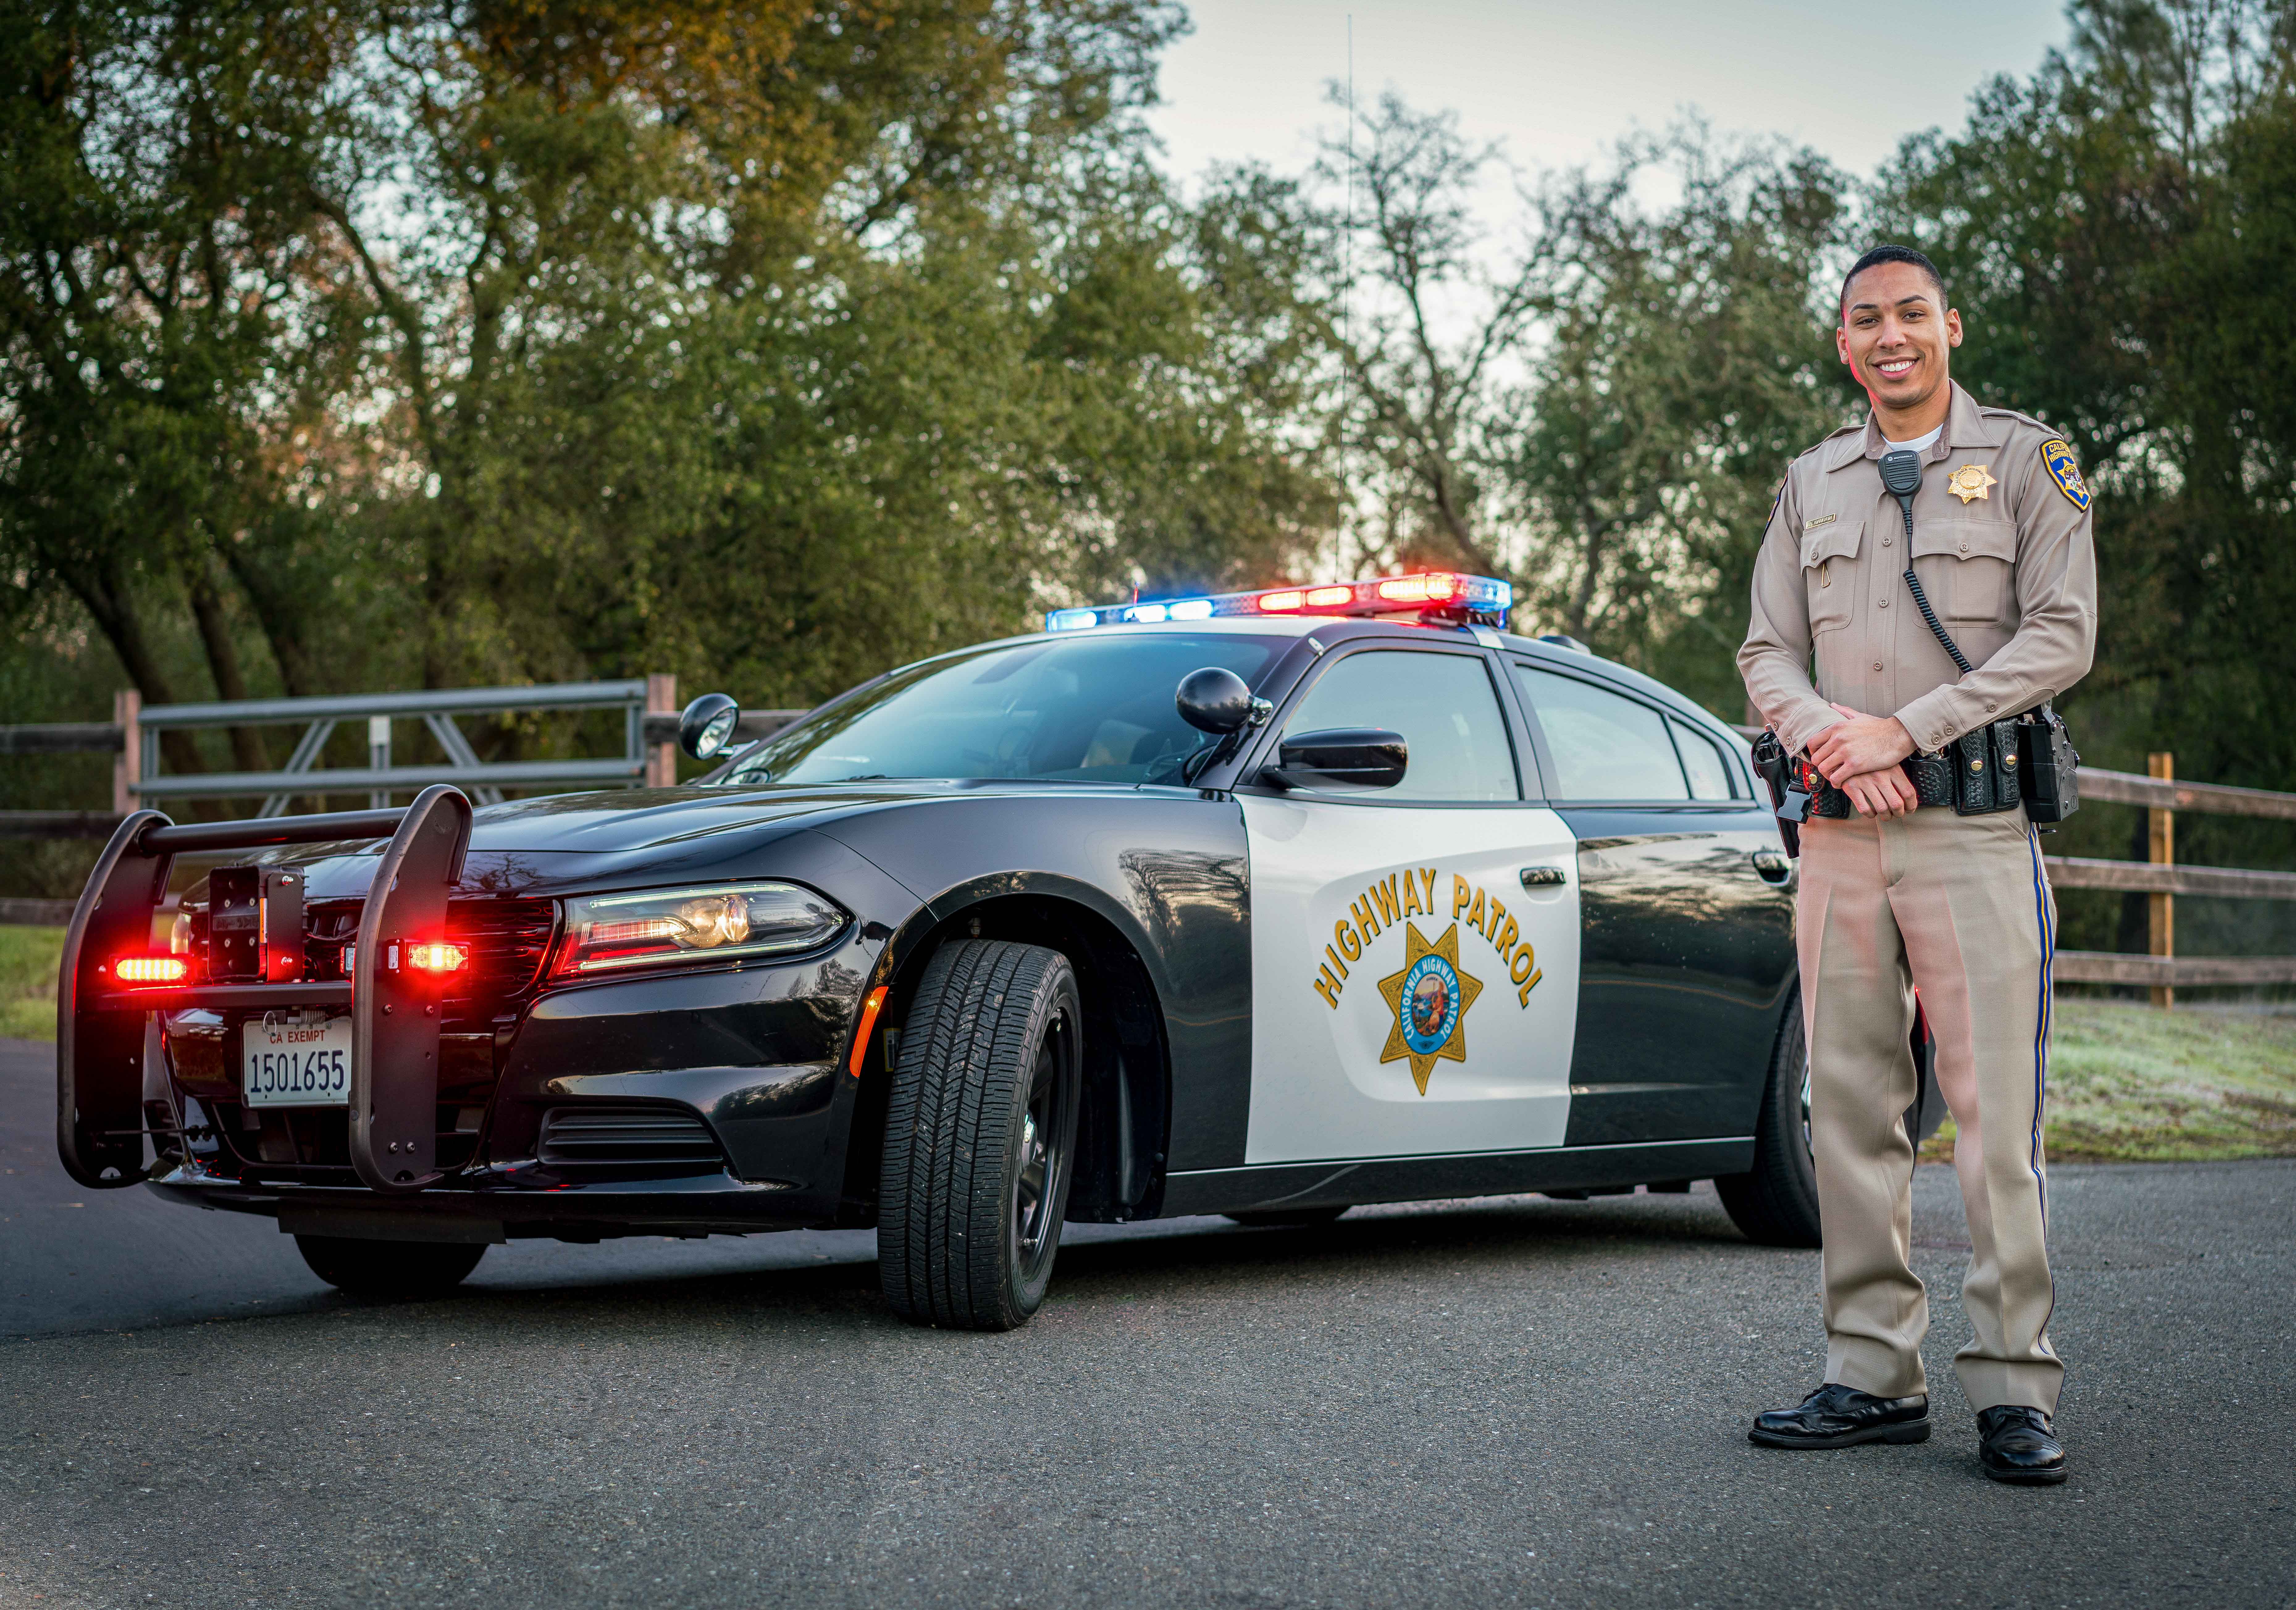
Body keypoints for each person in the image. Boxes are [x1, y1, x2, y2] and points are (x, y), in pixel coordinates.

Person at [1736, 244, 2097, 1484]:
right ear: (1843, 343)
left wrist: (1908, 728)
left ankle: (2011, 1385)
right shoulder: (1808, 480)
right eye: (1862, 321)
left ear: (1949, 324)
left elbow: (2062, 633)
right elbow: (1763, 651)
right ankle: (1870, 1371)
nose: (1888, 336)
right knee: (1844, 1109)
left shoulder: (2023, 462)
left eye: (1908, 315)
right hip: (1838, 837)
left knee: (1993, 1123)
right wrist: (1830, 734)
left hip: (1970, 833)